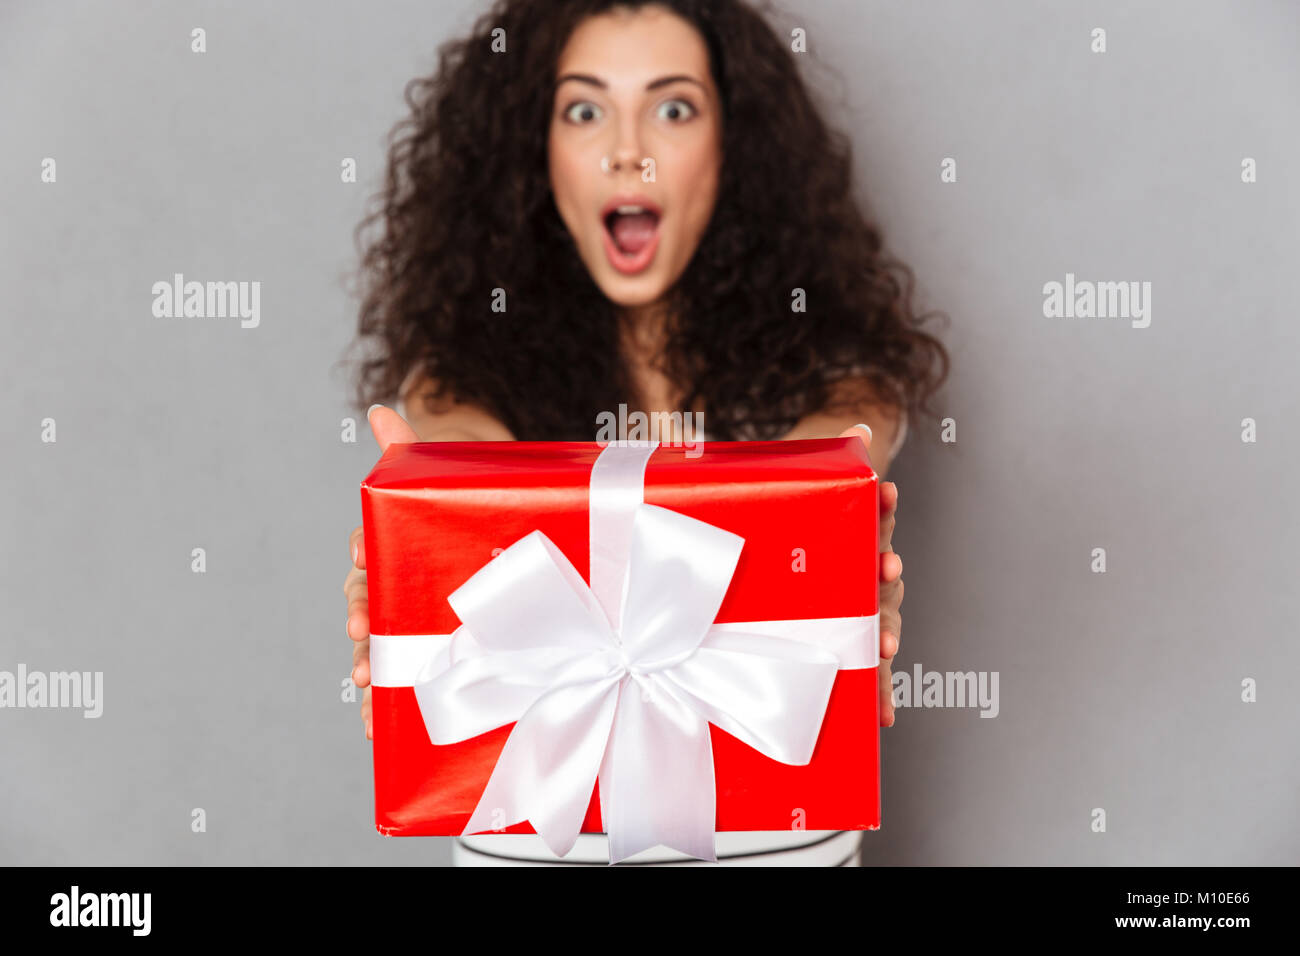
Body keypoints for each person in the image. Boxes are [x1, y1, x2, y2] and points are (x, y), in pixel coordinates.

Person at [343, 0, 948, 865]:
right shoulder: (460, 370)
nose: (628, 149)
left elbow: (837, 460)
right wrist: (417, 555)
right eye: (584, 110)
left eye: (673, 108)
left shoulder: (842, 363)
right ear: (535, 153)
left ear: (734, 146)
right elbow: (455, 450)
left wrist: (842, 576)